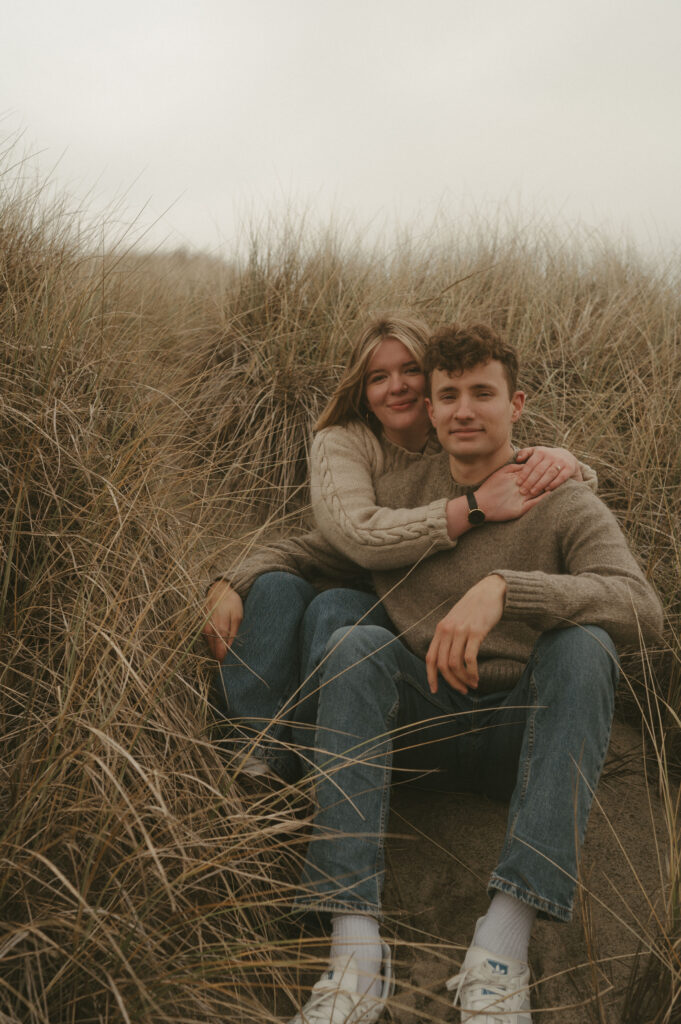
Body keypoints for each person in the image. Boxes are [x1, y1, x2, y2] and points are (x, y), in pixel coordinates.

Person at [205, 323, 662, 1024]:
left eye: (483, 392)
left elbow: (640, 607)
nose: (463, 409)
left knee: (584, 649)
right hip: (416, 735)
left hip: (521, 739)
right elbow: (325, 547)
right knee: (352, 642)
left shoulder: (564, 500)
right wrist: (234, 579)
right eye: (448, 395)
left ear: (516, 405)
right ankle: (354, 954)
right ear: (431, 408)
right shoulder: (406, 498)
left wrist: (512, 588)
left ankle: (501, 944)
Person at [204, 314, 594, 784]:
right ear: (362, 389)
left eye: (410, 369)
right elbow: (349, 539)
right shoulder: (342, 442)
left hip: (396, 604)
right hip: (349, 566)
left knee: (336, 610)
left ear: (431, 384)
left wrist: (571, 464)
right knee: (274, 590)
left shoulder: (456, 432)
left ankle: (313, 760)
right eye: (378, 377)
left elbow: (523, 474)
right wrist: (231, 580)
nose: (397, 387)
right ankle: (254, 751)